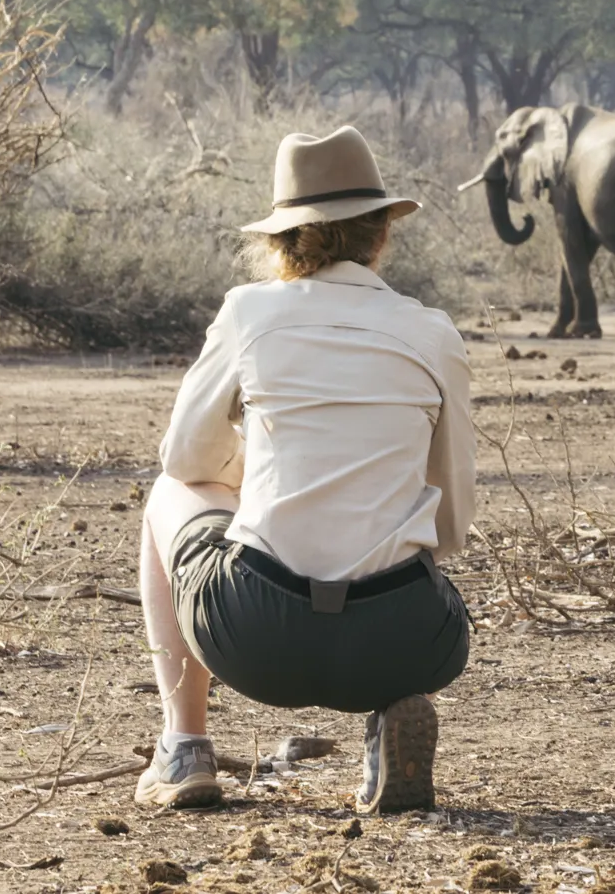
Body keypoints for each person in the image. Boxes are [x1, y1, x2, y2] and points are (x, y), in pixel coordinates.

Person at [133, 126, 476, 813]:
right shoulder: (432, 331)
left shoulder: (249, 311)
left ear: (283, 240)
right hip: (408, 640)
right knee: (405, 559)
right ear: (382, 231)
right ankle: (386, 724)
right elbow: (450, 521)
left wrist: (253, 473)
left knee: (167, 492)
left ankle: (184, 747)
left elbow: (185, 457)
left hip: (257, 638)